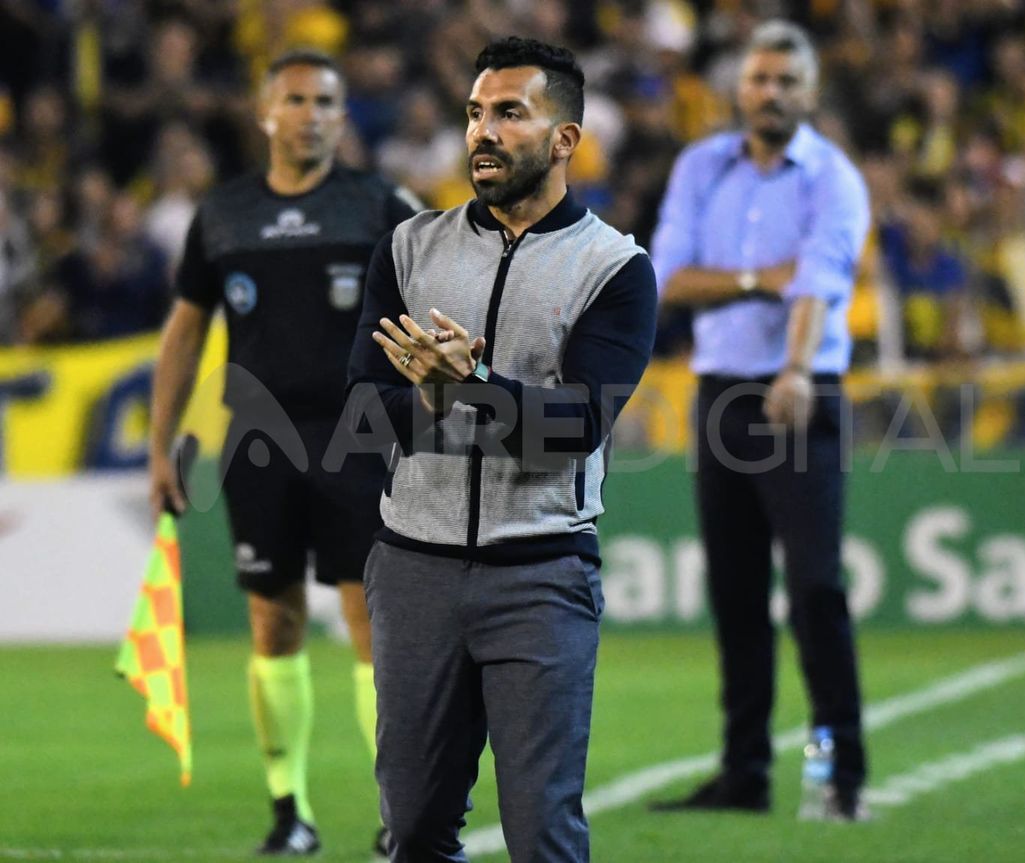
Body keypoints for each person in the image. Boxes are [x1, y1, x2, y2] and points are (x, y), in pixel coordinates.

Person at [344, 36, 657, 863]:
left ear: (565, 141)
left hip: (541, 572)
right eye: (476, 112)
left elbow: (575, 428)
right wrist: (429, 397)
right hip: (412, 568)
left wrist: (471, 385)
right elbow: (360, 419)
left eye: (509, 113)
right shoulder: (410, 250)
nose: (482, 131)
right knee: (411, 827)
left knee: (541, 833)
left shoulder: (615, 270)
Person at [148, 49, 418, 856]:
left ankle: (399, 813)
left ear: (343, 114)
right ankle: (289, 810)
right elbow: (186, 330)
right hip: (259, 446)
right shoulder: (223, 214)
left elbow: (440, 303)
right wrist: (160, 446)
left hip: (361, 440)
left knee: (373, 624)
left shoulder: (380, 206)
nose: (310, 112)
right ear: (266, 112)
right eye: (295, 98)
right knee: (273, 622)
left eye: (326, 100)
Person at [648, 20, 871, 820]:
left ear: (809, 93)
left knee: (814, 588)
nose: (770, 93)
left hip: (800, 391)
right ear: (738, 89)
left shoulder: (834, 178)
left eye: (786, 81)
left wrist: (797, 366)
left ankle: (840, 773)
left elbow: (815, 280)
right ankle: (744, 771)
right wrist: (753, 279)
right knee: (736, 593)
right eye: (759, 79)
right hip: (721, 395)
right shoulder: (700, 167)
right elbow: (666, 277)